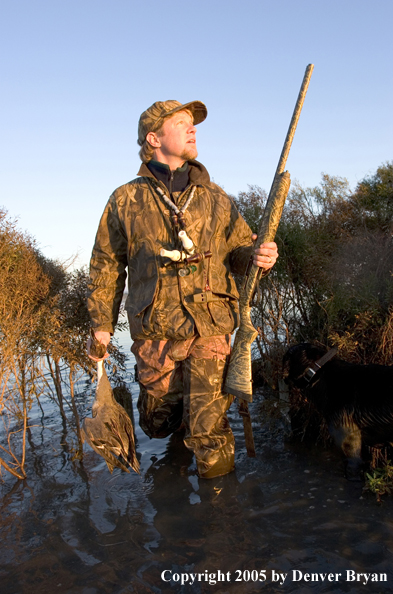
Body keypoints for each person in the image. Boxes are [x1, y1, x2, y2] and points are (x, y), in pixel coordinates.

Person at [87, 100, 278, 479]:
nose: (192, 129)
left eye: (193, 124)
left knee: (209, 431)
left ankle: (217, 521)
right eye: (182, 123)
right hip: (155, 330)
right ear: (154, 138)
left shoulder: (217, 197)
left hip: (211, 327)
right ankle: (172, 439)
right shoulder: (125, 199)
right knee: (158, 422)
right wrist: (100, 323)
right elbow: (107, 264)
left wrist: (259, 255)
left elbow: (239, 251)